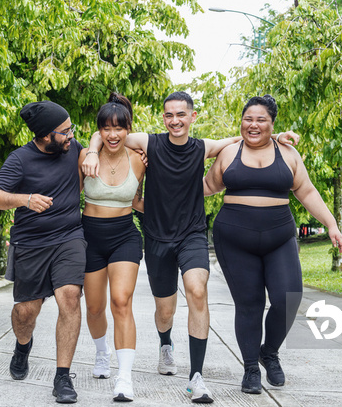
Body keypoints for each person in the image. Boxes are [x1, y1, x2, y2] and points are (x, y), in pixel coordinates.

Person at [83, 91, 298, 404]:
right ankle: (165, 344)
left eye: (181, 114)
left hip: (192, 234)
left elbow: (242, 138)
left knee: (197, 290)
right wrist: (91, 151)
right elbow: (107, 132)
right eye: (169, 115)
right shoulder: (148, 142)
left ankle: (196, 377)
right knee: (165, 310)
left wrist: (274, 134)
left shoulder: (202, 148)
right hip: (157, 237)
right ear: (163, 118)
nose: (175, 121)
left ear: (192, 117)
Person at [203, 95, 342, 395]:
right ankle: (251, 368)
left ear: (272, 124)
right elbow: (205, 187)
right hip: (234, 239)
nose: (253, 125)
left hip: (279, 237)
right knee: (250, 305)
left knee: (289, 298)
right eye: (248, 119)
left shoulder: (288, 154)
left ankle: (270, 352)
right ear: (241, 121)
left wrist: (331, 224)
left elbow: (306, 190)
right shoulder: (228, 153)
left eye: (260, 120)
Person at [0, 100, 85, 404]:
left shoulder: (74, 148)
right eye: (65, 131)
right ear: (44, 136)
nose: (71, 136)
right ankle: (22, 345)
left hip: (69, 237)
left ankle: (62, 376)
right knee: (26, 312)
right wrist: (24, 200)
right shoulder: (20, 159)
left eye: (71, 129)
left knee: (70, 296)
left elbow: (97, 144)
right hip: (30, 244)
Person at [78, 92, 145, 402]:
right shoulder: (85, 157)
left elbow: (140, 200)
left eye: (119, 128)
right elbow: (69, 195)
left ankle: (125, 378)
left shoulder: (139, 159)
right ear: (100, 131)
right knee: (94, 308)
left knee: (121, 301)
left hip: (124, 235)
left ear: (128, 129)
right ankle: (102, 352)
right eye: (106, 128)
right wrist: (91, 149)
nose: (113, 134)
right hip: (90, 236)